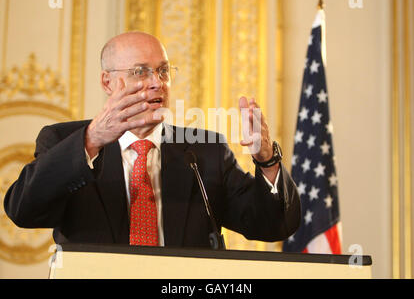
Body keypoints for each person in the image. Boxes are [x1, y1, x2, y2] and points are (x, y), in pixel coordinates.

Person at [4, 32, 300, 248]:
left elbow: (273, 224)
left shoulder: (203, 151)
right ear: (108, 82)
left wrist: (267, 161)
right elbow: (24, 211)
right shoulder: (64, 141)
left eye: (162, 71)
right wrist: (91, 140)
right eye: (140, 72)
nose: (157, 82)